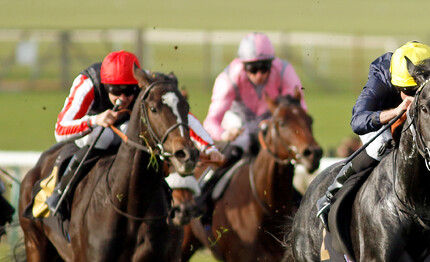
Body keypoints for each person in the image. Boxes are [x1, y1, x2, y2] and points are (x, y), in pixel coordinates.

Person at [315, 41, 430, 224]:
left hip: (424, 122)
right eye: (405, 91)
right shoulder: (382, 75)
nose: (409, 96)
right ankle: (332, 194)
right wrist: (396, 112)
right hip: (386, 123)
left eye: (415, 90)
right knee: (378, 146)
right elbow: (358, 121)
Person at [46, 50, 221, 220]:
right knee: (104, 136)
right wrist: (94, 120)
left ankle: (161, 195)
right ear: (105, 85)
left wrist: (208, 146)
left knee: (147, 136)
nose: (123, 97)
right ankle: (62, 192)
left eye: (129, 90)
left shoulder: (147, 81)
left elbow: (180, 117)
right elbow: (60, 130)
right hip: (93, 127)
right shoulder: (87, 84)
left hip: (126, 126)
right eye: (115, 90)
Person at [203, 32, 306, 157]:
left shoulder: (285, 71)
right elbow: (210, 122)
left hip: (269, 120)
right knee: (242, 140)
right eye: (253, 69)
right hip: (237, 123)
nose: (259, 75)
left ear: (271, 64)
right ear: (243, 65)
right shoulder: (228, 79)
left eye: (264, 68)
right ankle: (214, 175)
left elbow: (299, 111)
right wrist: (223, 134)